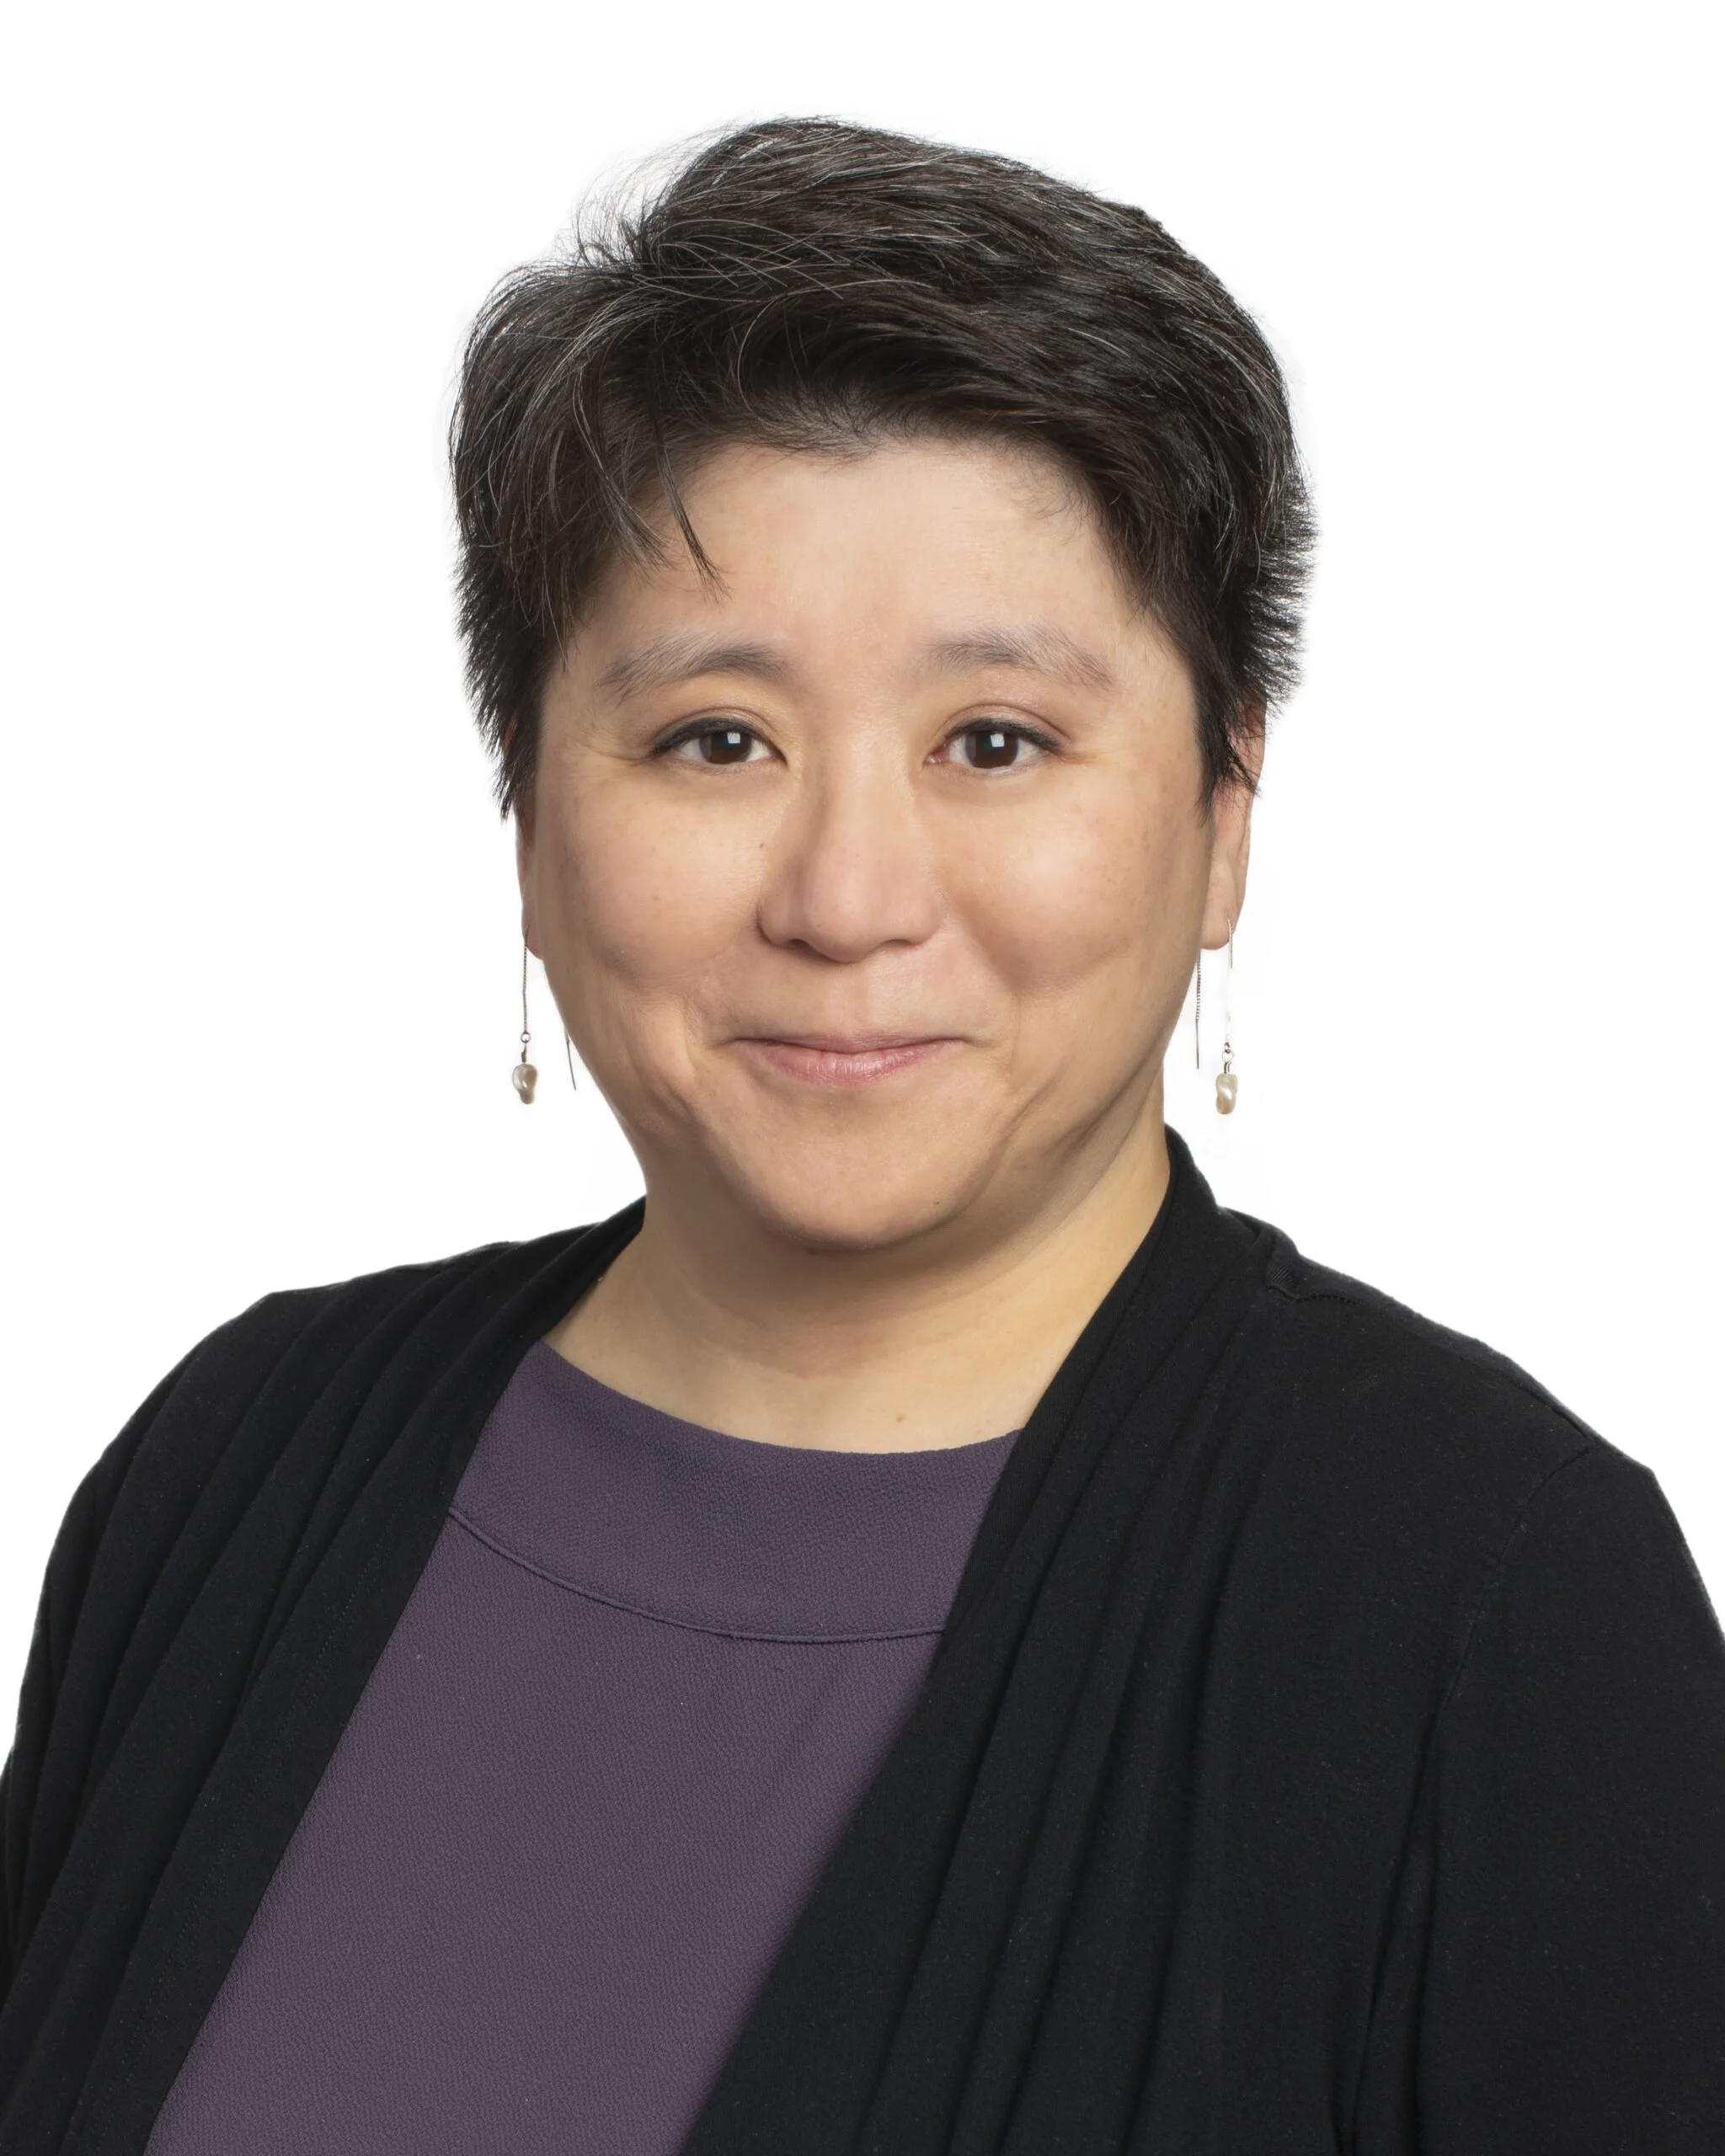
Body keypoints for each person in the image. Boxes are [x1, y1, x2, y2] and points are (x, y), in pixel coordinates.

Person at [2, 117, 1720, 2156]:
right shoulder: (239, 1468)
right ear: (529, 815)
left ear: (1220, 814)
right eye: (714, 738)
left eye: (994, 741)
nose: (845, 897)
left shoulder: (1491, 1596)